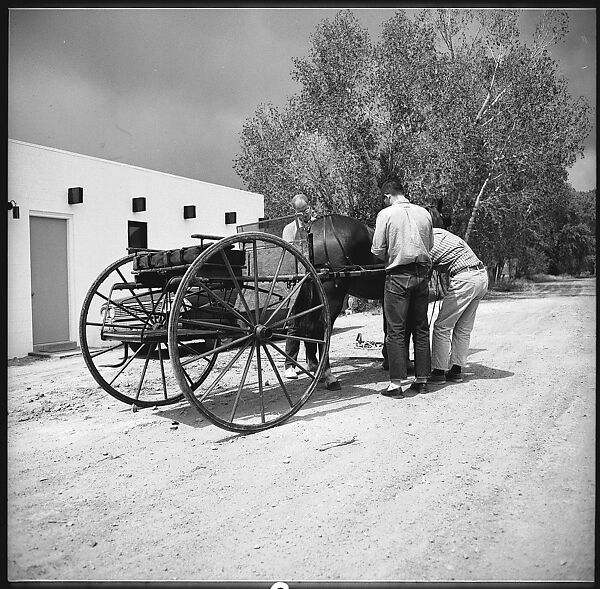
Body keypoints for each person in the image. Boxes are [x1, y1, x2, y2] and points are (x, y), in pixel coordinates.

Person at [371, 180, 434, 397]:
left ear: (388, 196)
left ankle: (396, 385)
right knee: (421, 327)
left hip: (398, 276)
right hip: (422, 275)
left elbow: (378, 250)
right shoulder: (424, 213)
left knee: (396, 330)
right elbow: (430, 245)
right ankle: (422, 380)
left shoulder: (386, 214)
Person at [427, 228, 488, 383]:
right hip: (481, 276)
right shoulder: (443, 234)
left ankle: (439, 372)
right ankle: (455, 371)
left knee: (442, 326)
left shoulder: (429, 240)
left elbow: (423, 263)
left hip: (465, 278)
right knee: (463, 328)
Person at [281, 194, 316, 379]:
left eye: (306, 210)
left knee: (313, 321)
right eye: (301, 212)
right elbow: (288, 256)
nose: (305, 214)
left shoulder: (316, 225)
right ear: (295, 212)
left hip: (314, 277)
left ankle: (312, 360)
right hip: (298, 278)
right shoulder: (290, 229)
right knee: (295, 322)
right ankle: (290, 364)